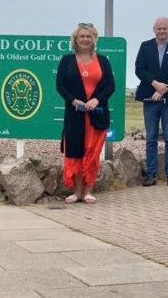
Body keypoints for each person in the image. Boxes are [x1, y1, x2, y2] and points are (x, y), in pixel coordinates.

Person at [56, 23, 115, 204]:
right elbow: (60, 86)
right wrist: (74, 100)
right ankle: (77, 192)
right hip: (75, 116)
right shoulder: (66, 60)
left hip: (96, 116)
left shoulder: (103, 60)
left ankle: (89, 191)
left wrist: (97, 99)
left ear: (94, 39)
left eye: (88, 36)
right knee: (75, 153)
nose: (85, 39)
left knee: (92, 153)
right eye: (81, 36)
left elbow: (110, 86)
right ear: (76, 39)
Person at [135, 16, 168, 187]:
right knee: (150, 138)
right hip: (150, 98)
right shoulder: (145, 46)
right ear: (154, 30)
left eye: (165, 28)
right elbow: (139, 69)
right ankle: (151, 175)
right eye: (159, 28)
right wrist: (155, 84)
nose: (162, 31)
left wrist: (163, 89)